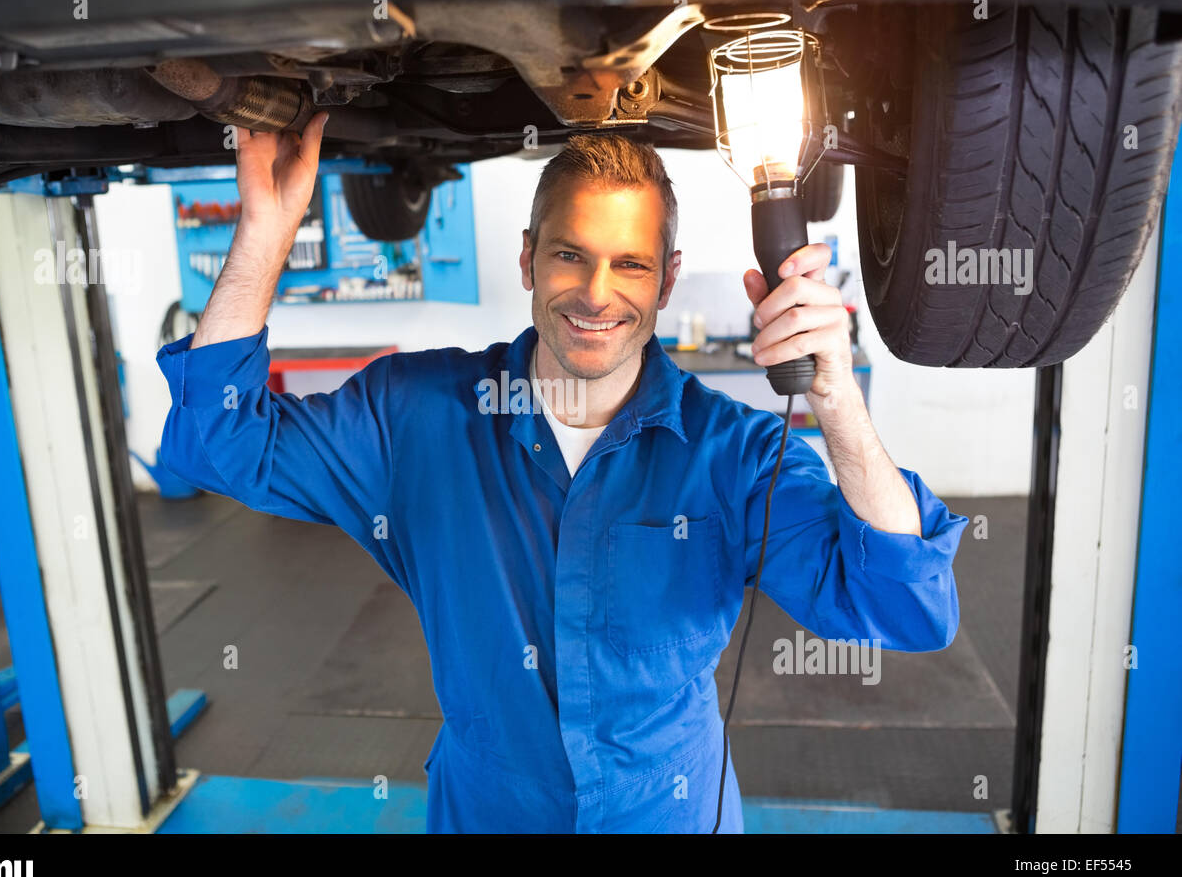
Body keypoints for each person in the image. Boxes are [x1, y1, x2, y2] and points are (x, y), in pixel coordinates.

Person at [155, 112, 969, 833]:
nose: (595, 293)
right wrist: (266, 232)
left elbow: (904, 607)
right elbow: (217, 440)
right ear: (527, 260)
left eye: (631, 265)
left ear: (669, 278)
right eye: (570, 256)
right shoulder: (420, 417)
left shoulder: (733, 453)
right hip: (489, 812)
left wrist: (837, 401)